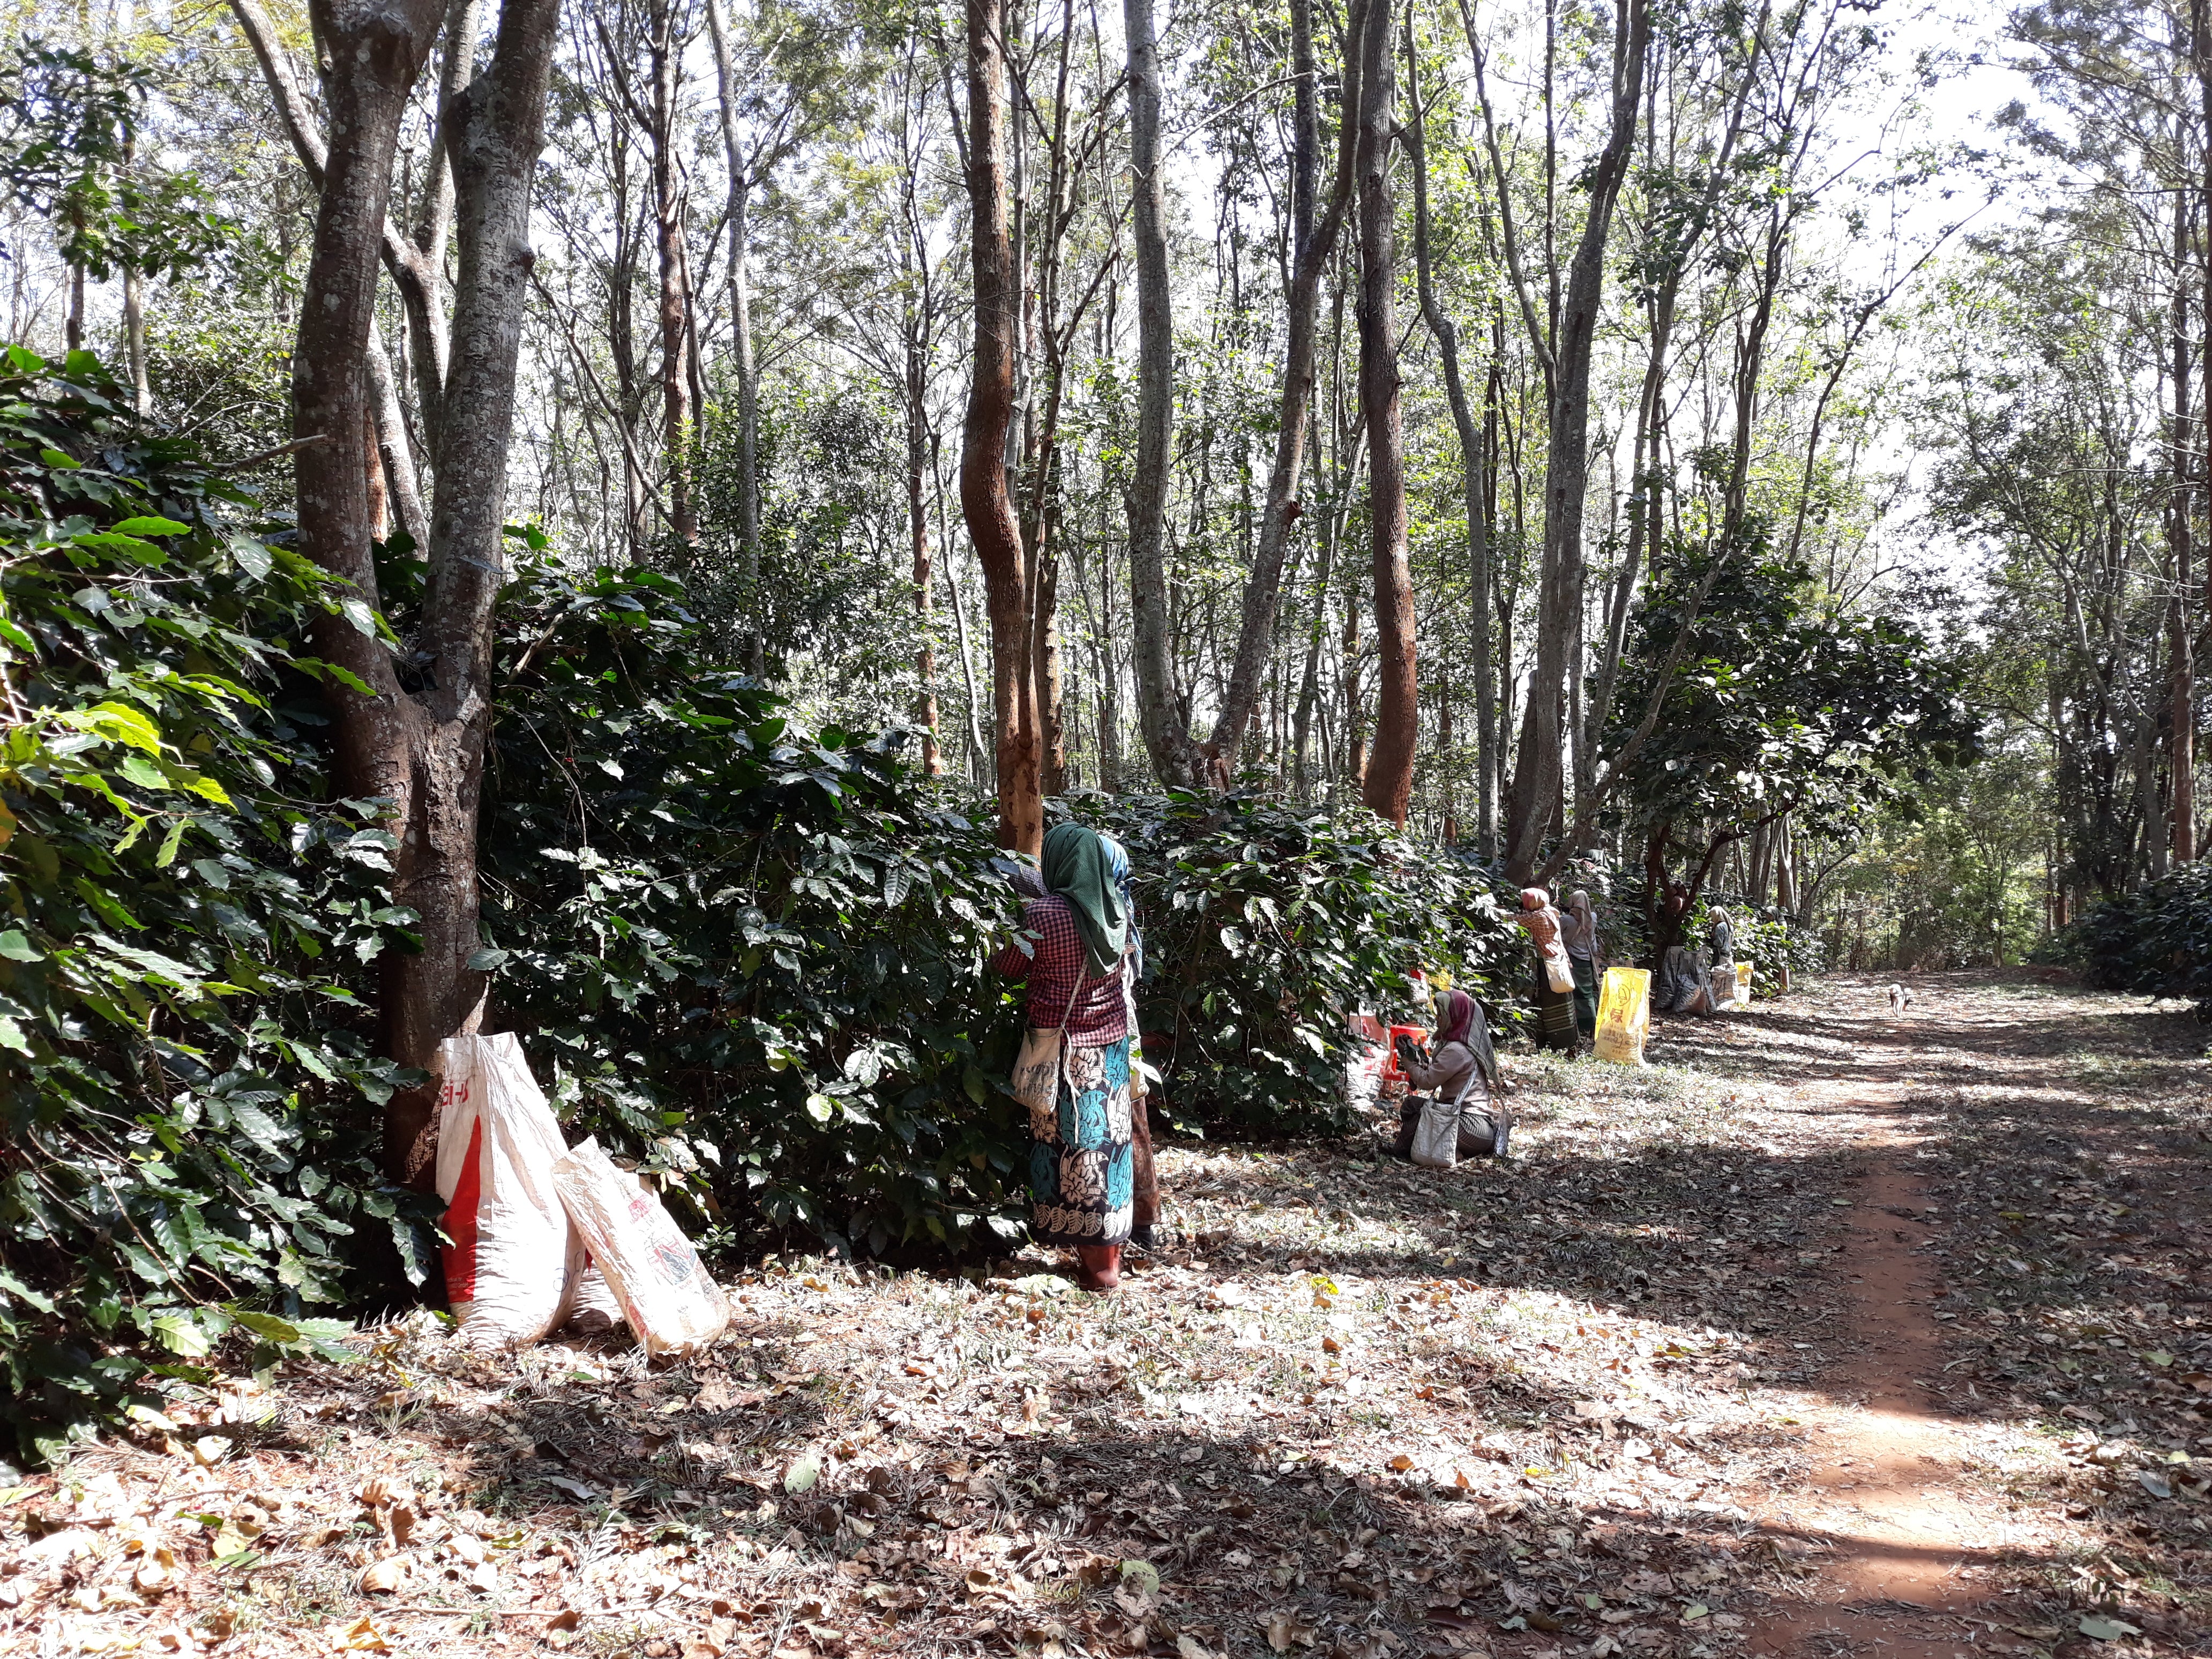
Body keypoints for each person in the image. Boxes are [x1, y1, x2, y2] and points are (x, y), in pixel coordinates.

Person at [991, 823, 1135, 1292]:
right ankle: (1106, 1260)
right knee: (1105, 1151)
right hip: (1111, 1053)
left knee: (1072, 1155)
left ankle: (1096, 1270)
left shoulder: (1046, 915)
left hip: (1063, 1052)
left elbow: (1009, 966)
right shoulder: (1117, 909)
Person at [1098, 832, 1163, 1250]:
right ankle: (1141, 1221)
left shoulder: (1103, 908)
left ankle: (1134, 1222)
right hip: (1125, 1025)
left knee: (1123, 1120)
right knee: (1133, 1119)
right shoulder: (1121, 902)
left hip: (1112, 1030)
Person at [1389, 988, 1512, 1159]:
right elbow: (1440, 1068)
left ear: (1454, 1017)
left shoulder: (1456, 1050)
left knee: (1419, 1115)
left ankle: (1401, 1152)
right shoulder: (1466, 1046)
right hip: (1479, 1126)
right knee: (1413, 1105)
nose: (1438, 1019)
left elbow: (1427, 1081)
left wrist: (1406, 1057)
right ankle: (1455, 1150)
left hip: (1471, 1126)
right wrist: (1415, 1054)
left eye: (1441, 1015)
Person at [1517, 887, 1579, 1053]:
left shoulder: (1537, 916)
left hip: (1548, 966)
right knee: (1564, 1004)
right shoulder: (1551, 911)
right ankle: (1568, 1043)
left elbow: (1514, 919)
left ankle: (1559, 1043)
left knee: (1549, 1003)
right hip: (1559, 961)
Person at [1561, 890, 1604, 1038]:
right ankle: (1593, 1027)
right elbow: (1592, 940)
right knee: (1587, 996)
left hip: (1571, 962)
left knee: (1572, 996)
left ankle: (1576, 1029)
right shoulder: (1592, 918)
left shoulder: (1567, 920)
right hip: (1587, 962)